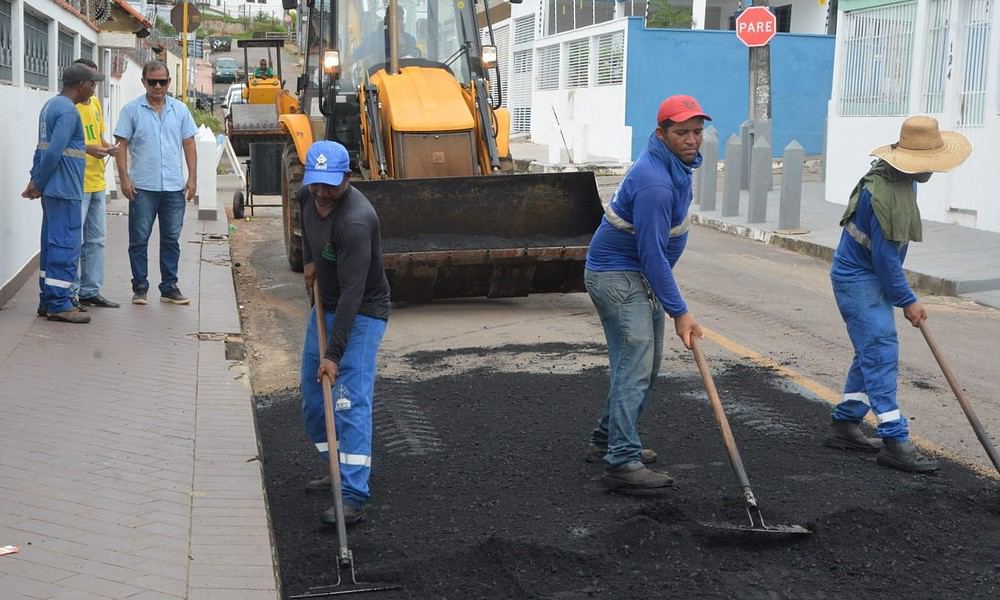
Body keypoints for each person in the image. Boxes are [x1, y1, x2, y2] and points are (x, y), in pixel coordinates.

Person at [823, 116, 971, 474]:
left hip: (870, 274)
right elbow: (887, 262)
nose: (931, 171)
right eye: (928, 163)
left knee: (870, 351)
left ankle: (846, 422)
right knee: (881, 352)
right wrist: (908, 300)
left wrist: (900, 296)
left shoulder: (899, 177)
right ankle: (894, 439)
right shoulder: (885, 195)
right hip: (858, 278)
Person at [583, 95, 709, 491]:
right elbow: (652, 254)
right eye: (682, 132)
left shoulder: (673, 165)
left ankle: (608, 438)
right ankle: (621, 460)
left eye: (697, 132)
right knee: (635, 363)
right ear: (661, 133)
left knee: (644, 363)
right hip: (618, 275)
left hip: (636, 275)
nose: (692, 140)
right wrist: (680, 311)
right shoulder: (655, 182)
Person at [297, 141, 391, 525]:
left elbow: (354, 295)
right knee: (313, 399)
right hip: (326, 304)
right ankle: (335, 467)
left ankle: (352, 492)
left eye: (329, 186)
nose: (321, 193)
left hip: (362, 311)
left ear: (347, 179)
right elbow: (304, 224)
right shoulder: (308, 195)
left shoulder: (355, 221)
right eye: (316, 184)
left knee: (348, 401)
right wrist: (308, 261)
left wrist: (333, 356)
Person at [22, 63, 104, 324]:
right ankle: (60, 303)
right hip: (65, 189)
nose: (94, 88)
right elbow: (55, 151)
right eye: (92, 83)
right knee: (65, 245)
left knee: (50, 244)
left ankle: (48, 300)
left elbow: (41, 149)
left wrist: (36, 181)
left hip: (53, 190)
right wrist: (40, 182)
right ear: (81, 85)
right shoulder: (69, 112)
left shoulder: (50, 106)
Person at [113, 60, 198, 306]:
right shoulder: (131, 110)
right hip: (143, 187)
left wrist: (192, 178)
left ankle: (169, 287)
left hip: (173, 187)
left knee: (171, 238)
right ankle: (140, 287)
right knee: (139, 238)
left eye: (163, 81)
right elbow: (121, 145)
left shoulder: (180, 110)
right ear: (144, 82)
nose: (158, 86)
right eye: (153, 82)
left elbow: (189, 143)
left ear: (169, 82)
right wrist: (124, 179)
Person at [71, 58, 120, 309]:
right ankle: (73, 291)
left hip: (97, 180)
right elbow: (67, 144)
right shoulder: (71, 107)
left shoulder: (96, 104)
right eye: (91, 81)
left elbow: (98, 136)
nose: (94, 86)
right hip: (78, 182)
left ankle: (91, 290)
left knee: (97, 239)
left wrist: (106, 147)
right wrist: (89, 150)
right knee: (75, 240)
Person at [355, 5, 420, 66]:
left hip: (405, 74)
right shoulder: (374, 38)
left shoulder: (410, 39)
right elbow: (356, 56)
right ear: (386, 19)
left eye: (399, 18)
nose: (396, 21)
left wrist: (398, 33)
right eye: (393, 18)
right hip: (380, 74)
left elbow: (411, 58)